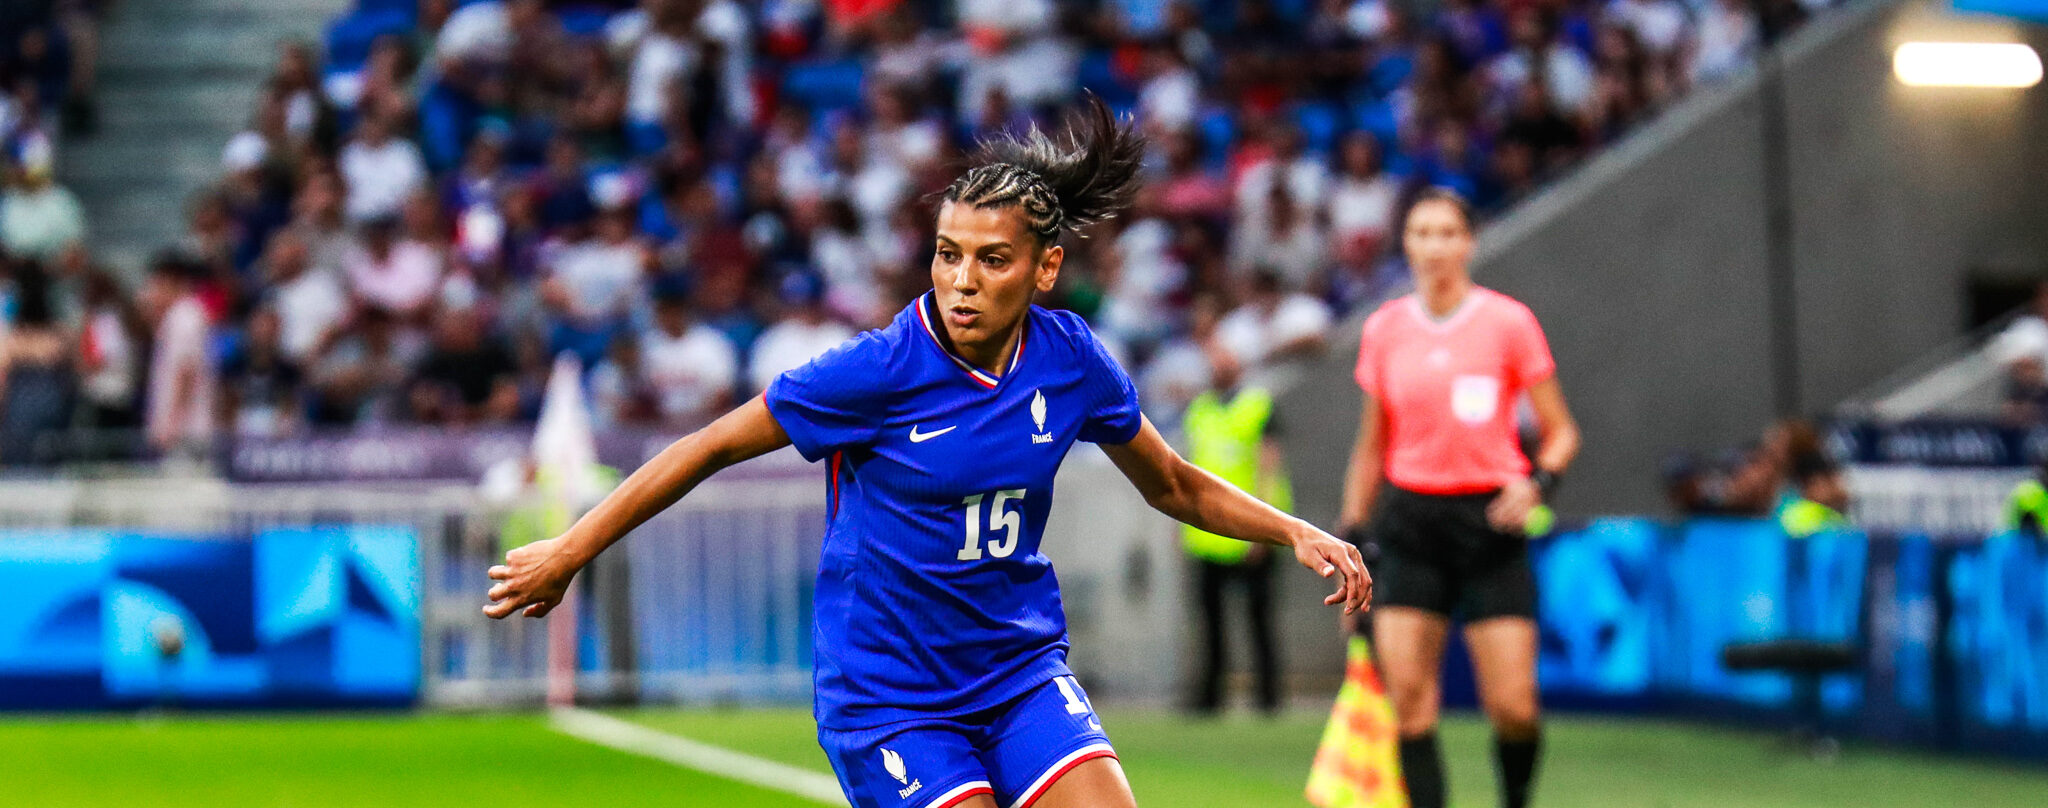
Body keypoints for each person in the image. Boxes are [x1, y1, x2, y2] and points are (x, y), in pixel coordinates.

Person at [484, 98, 1371, 808]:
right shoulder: (876, 370)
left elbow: (1172, 483)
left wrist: (1294, 530)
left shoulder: (1070, 360)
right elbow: (708, 446)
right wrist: (570, 550)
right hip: (892, 698)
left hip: (1018, 672)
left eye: (991, 260)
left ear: (1045, 269)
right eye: (948, 255)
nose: (960, 281)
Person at [1336, 188, 1581, 808]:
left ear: (1468, 243)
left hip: (1489, 525)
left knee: (1514, 706)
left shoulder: (1508, 322)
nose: (1434, 246)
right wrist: (1351, 539)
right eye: (1421, 233)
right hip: (1410, 523)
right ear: (1406, 244)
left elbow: (1562, 432)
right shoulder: (1385, 328)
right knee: (1411, 704)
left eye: (1447, 233)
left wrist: (1538, 482)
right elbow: (1370, 447)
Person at [1182, 340, 1290, 715]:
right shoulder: (1199, 408)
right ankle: (1210, 699)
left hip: (1248, 531)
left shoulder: (1257, 405)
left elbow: (1267, 464)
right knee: (1211, 625)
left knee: (1259, 621)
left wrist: (1265, 528)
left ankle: (1268, 699)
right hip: (1207, 534)